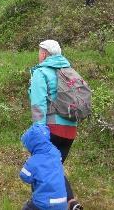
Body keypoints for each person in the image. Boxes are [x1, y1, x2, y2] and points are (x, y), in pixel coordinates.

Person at [29, 40, 82, 210]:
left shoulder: (41, 72)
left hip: (50, 129)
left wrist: (39, 131)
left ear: (44, 54)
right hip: (70, 130)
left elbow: (38, 104)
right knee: (54, 168)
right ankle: (71, 203)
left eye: (39, 51)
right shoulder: (69, 72)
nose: (38, 55)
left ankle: (38, 205)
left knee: (41, 169)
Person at [20, 124, 68, 210]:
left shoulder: (34, 161)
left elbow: (24, 176)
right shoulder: (56, 152)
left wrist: (27, 163)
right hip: (62, 202)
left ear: (31, 144)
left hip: (44, 203)